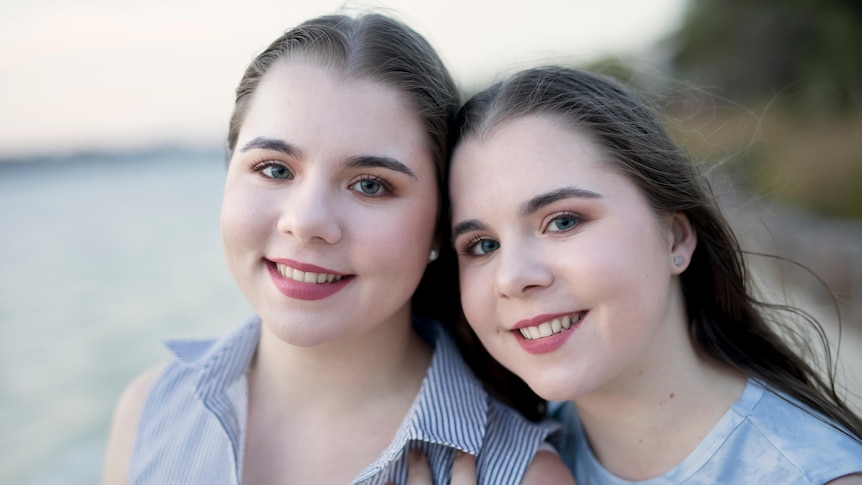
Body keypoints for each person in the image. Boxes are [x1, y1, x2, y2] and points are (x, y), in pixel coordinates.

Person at [101, 14, 574, 485]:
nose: (306, 223)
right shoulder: (150, 412)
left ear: (439, 224)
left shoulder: (522, 475)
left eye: (370, 184)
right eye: (274, 169)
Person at [446, 65, 862, 484]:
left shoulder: (812, 474)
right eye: (482, 246)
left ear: (675, 238)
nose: (512, 278)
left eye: (563, 221)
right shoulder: (498, 459)